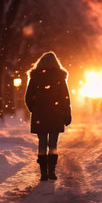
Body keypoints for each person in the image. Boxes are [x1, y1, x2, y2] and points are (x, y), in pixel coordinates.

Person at [25, 51, 72, 181]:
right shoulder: (59, 77)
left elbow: (28, 98)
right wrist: (66, 114)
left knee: (42, 143)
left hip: (40, 115)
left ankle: (43, 173)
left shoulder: (35, 77)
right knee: (53, 145)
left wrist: (34, 109)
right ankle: (51, 171)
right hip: (55, 114)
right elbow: (65, 98)